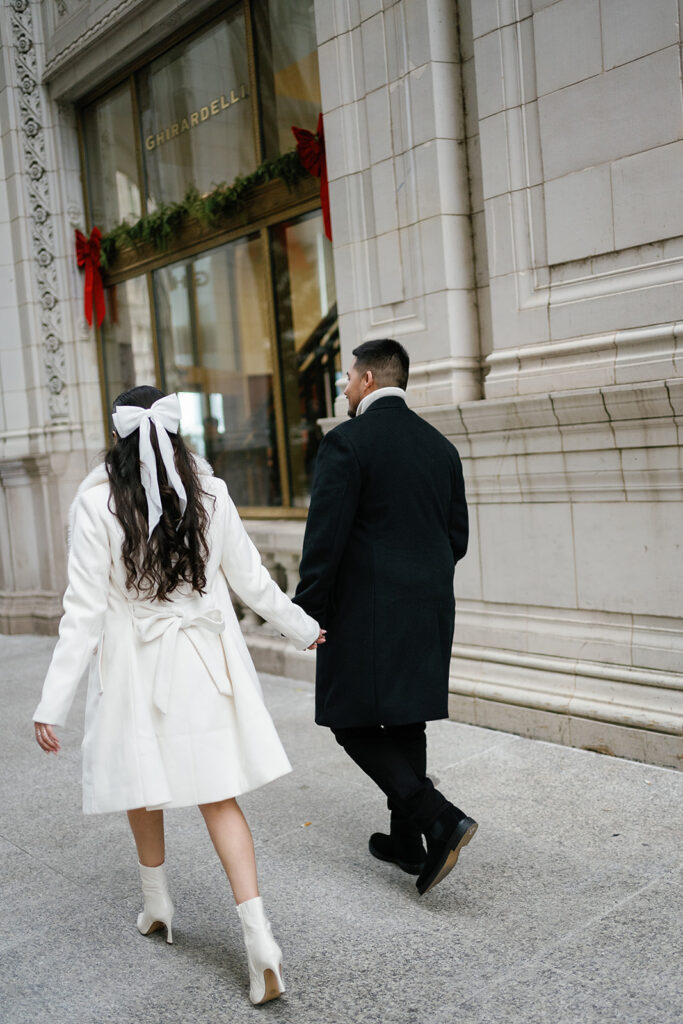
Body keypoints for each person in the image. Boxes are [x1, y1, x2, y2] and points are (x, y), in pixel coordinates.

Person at [33, 386, 325, 1006]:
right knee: (218, 798)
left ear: (119, 440)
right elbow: (254, 582)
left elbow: (81, 614)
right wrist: (304, 628)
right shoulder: (211, 494)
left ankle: (159, 905)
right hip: (203, 664)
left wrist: (51, 703)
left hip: (138, 672)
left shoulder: (98, 507)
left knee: (146, 784)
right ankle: (259, 940)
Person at [293, 339, 477, 896]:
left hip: (366, 613)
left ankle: (436, 816)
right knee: (405, 719)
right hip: (428, 608)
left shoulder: (346, 443)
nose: (344, 388)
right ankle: (407, 842)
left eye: (348, 378)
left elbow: (323, 540)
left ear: (369, 379)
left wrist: (308, 614)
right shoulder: (441, 447)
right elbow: (457, 540)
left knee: (347, 720)